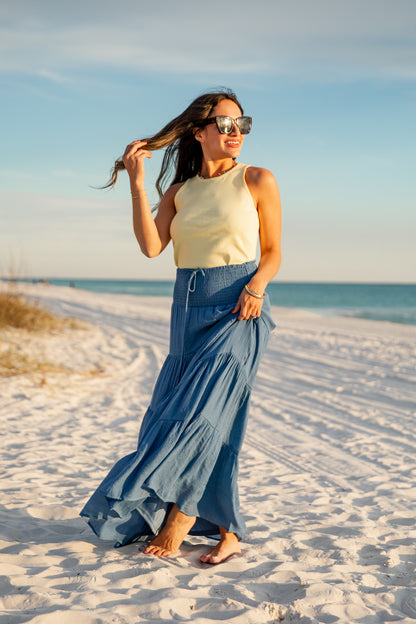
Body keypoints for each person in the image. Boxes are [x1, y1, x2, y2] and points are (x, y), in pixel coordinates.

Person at [81, 89, 282, 564]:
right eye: (225, 124)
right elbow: (152, 247)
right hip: (187, 310)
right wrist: (137, 183)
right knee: (194, 416)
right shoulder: (181, 191)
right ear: (200, 131)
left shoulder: (257, 179)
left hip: (240, 309)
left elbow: (273, 252)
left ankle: (182, 517)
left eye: (242, 124)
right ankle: (226, 527)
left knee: (203, 415)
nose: (236, 133)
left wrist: (255, 287)